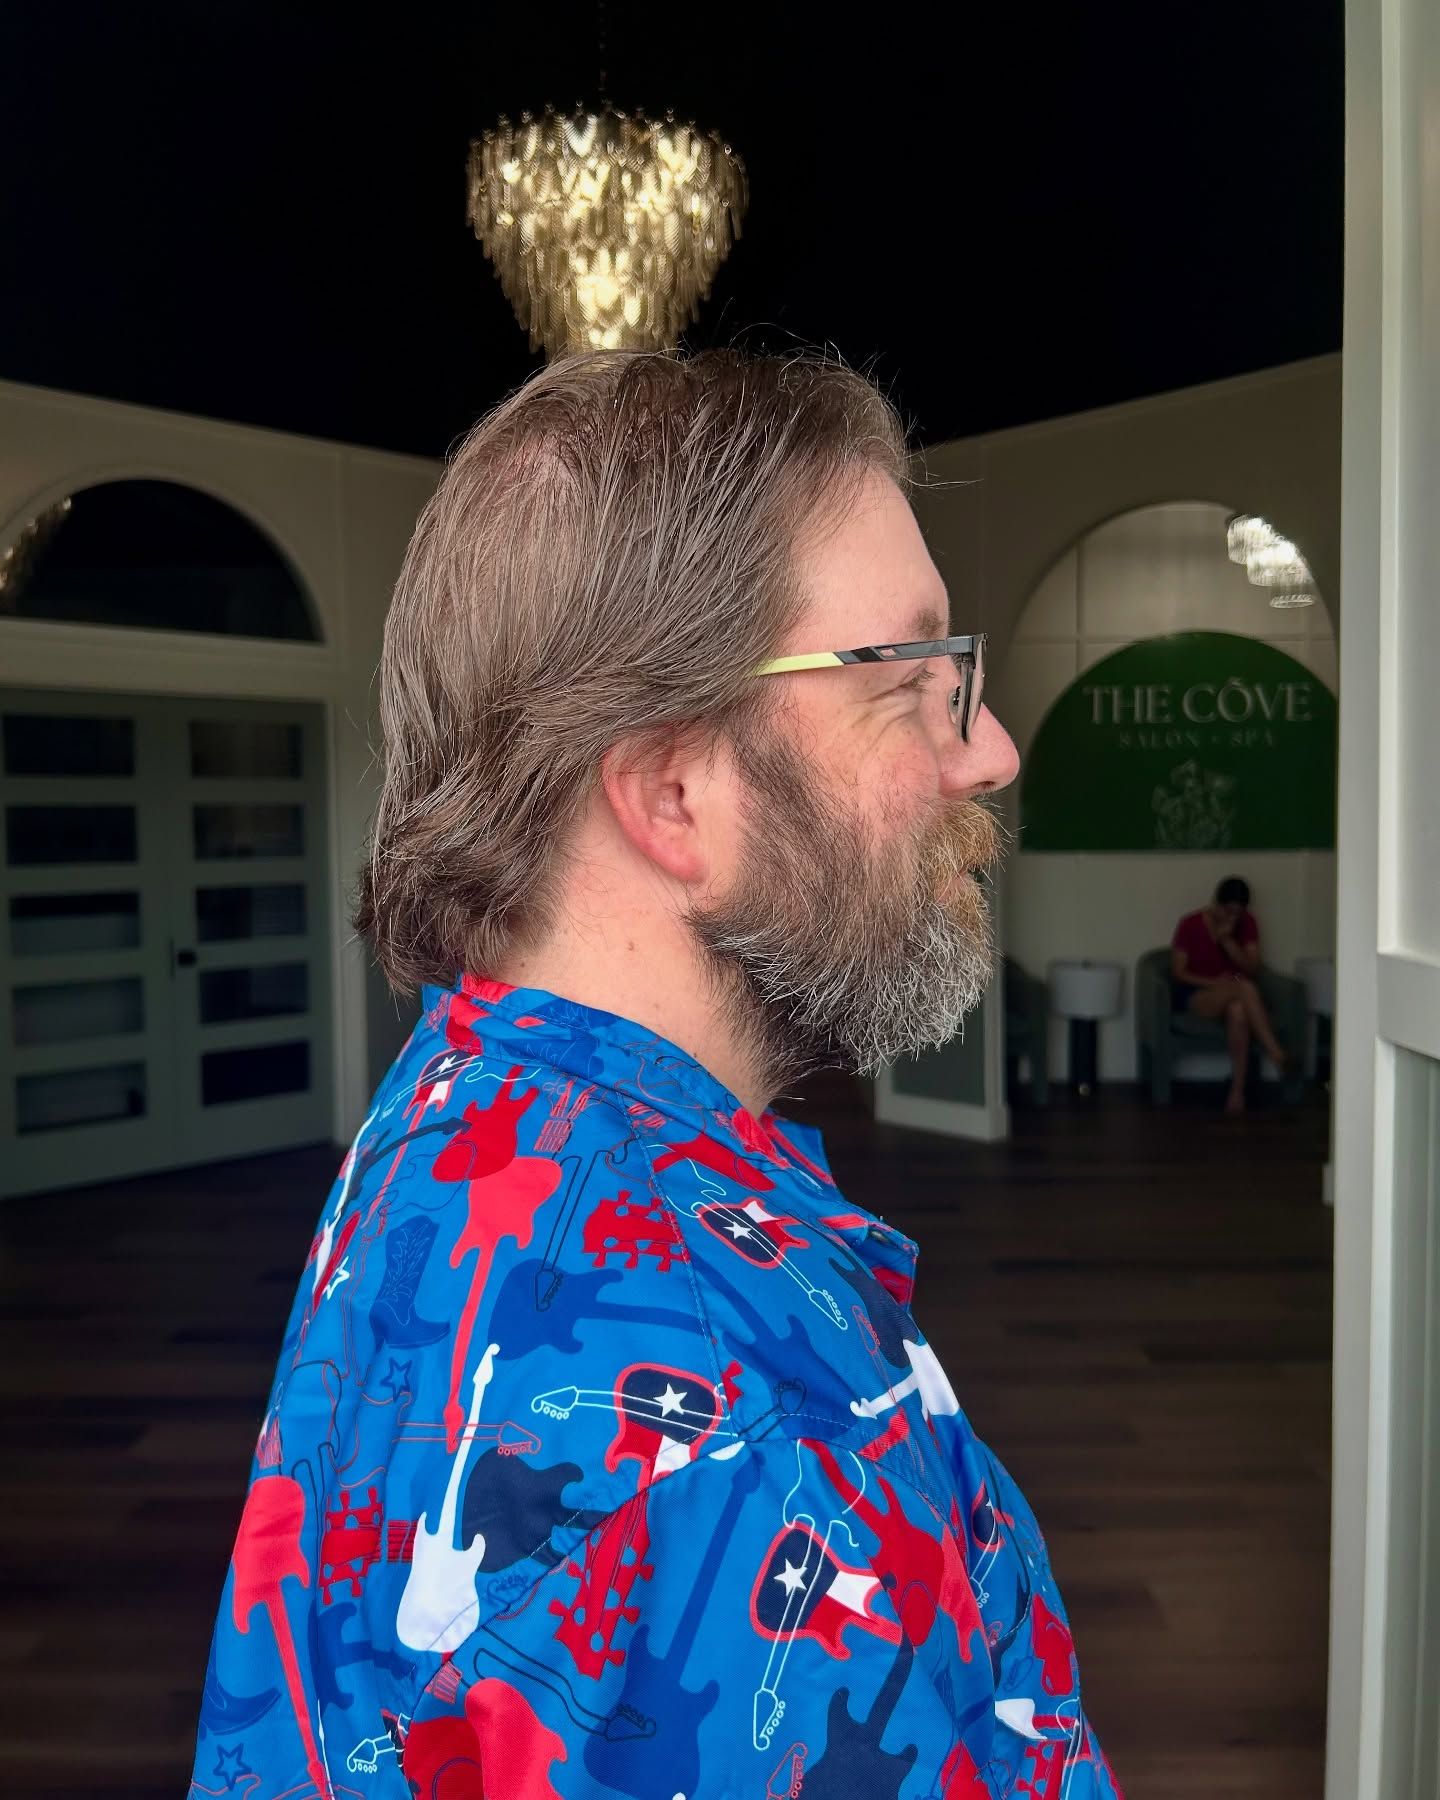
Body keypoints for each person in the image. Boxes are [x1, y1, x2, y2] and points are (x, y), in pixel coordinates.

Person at [191, 350, 1123, 1798]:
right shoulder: (735, 1411)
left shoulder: (457, 1106)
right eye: (911, 680)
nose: (988, 751)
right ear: (676, 793)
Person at [1171, 875, 1288, 1113]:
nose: (1232, 917)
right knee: (1244, 987)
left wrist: (1227, 941)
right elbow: (1178, 972)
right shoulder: (1190, 924)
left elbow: (1252, 969)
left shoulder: (1248, 923)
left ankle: (1236, 1093)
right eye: (1228, 911)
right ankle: (1276, 1052)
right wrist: (1214, 982)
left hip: (1233, 982)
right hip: (1199, 988)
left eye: (1238, 913)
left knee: (1238, 1010)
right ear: (1217, 903)